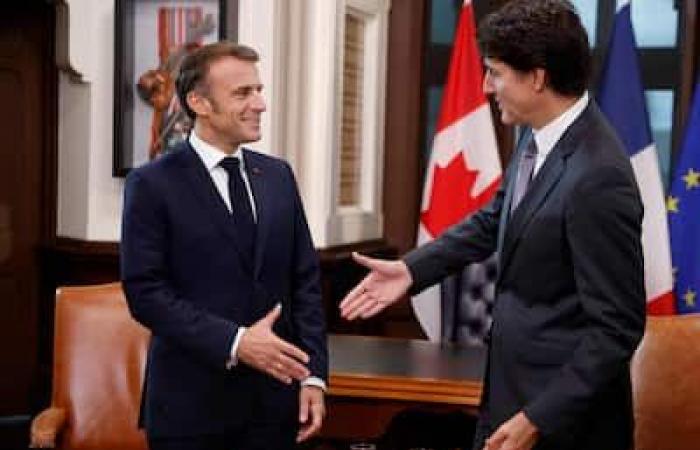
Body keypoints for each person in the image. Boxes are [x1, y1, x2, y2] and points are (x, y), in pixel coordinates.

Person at [340, 2, 646, 450]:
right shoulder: (537, 133)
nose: (486, 86)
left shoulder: (599, 175)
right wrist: (411, 270)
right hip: (510, 396)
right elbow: (494, 219)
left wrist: (537, 418)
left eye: (496, 72)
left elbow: (616, 329)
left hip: (564, 425)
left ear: (537, 78)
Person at [121, 41, 327, 450]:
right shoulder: (151, 184)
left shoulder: (278, 176)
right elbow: (146, 294)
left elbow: (305, 282)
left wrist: (314, 376)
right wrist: (236, 342)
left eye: (259, 89)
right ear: (199, 102)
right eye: (243, 93)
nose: (261, 103)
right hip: (190, 413)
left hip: (276, 408)